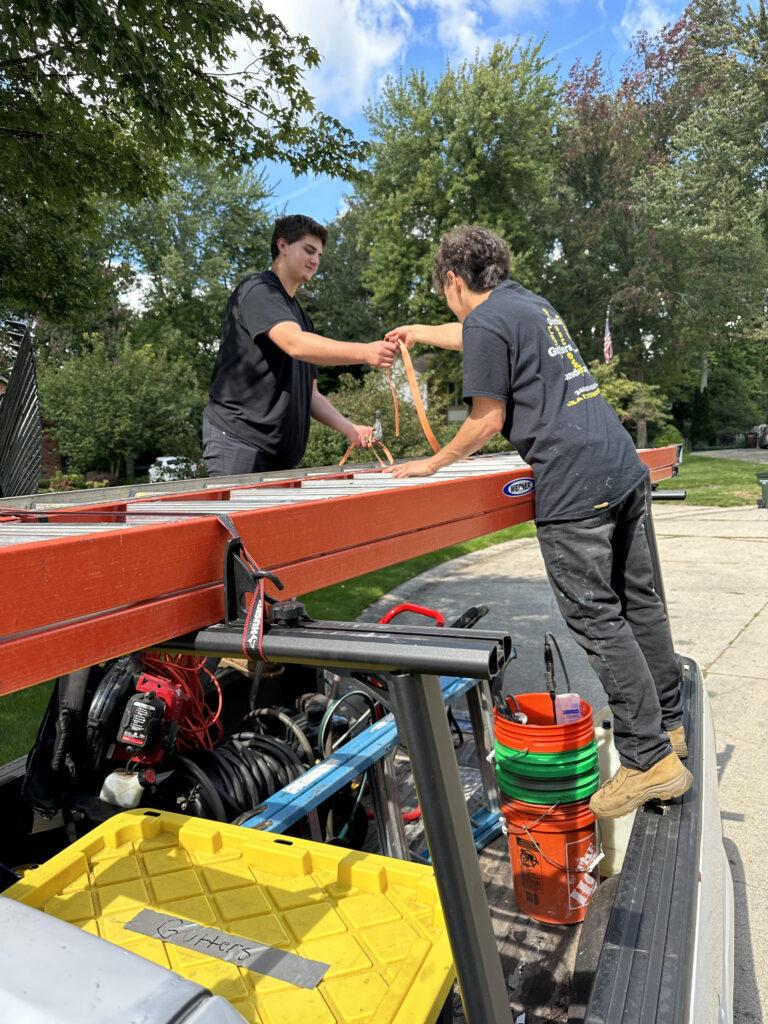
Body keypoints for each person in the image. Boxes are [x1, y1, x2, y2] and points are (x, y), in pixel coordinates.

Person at [387, 225, 692, 819]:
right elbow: (477, 335)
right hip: (619, 462)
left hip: (574, 480)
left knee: (595, 617)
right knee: (640, 602)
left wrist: (433, 462)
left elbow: (485, 419)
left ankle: (648, 759)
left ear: (452, 279)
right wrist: (420, 333)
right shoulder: (529, 304)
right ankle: (670, 727)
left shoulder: (488, 321)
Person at [203, 214, 398, 476]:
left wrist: (350, 429)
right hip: (240, 443)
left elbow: (312, 395)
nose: (315, 260)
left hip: (279, 455)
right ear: (282, 246)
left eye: (319, 254)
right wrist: (365, 352)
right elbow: (294, 343)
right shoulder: (259, 290)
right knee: (238, 519)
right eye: (309, 250)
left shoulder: (301, 318)